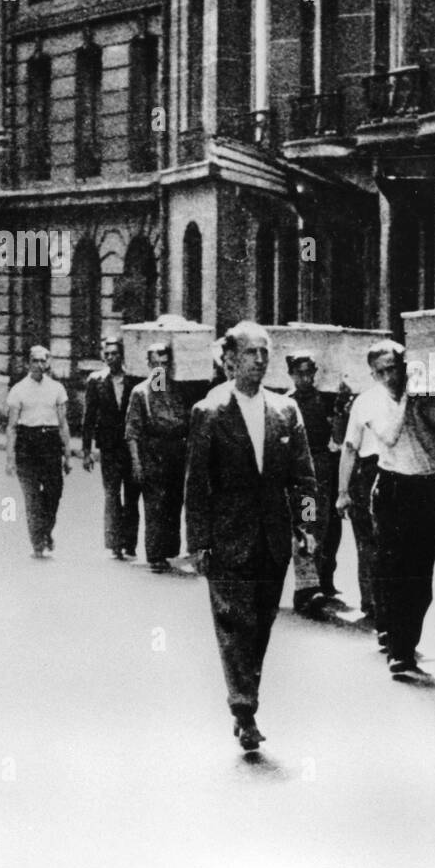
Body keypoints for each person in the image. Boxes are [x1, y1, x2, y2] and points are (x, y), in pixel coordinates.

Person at [185, 321, 318, 752]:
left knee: (260, 623)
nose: (260, 360)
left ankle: (247, 700)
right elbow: (196, 485)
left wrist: (307, 527)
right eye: (250, 352)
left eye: (265, 352)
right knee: (233, 624)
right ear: (229, 360)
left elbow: (305, 479)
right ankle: (244, 710)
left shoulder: (285, 411)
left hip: (273, 538)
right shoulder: (209, 411)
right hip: (226, 538)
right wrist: (198, 542)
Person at [360, 339, 435, 677]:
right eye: (380, 372)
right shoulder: (370, 401)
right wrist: (408, 402)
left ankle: (405, 639)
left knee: (421, 577)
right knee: (393, 569)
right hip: (392, 486)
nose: (388, 377)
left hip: (424, 488)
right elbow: (390, 435)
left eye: (393, 369)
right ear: (373, 374)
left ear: (404, 366)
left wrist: (421, 409)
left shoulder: (425, 399)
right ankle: (400, 650)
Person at [285, 350, 346, 615]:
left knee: (331, 528)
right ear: (291, 375)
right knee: (309, 525)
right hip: (305, 477)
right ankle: (310, 587)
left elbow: (337, 434)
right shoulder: (288, 404)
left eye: (310, 372)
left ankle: (326, 579)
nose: (306, 378)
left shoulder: (325, 400)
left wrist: (342, 404)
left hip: (326, 471)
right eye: (300, 373)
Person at [125, 343, 190, 573]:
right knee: (155, 506)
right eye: (155, 363)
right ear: (148, 364)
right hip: (152, 455)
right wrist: (136, 463)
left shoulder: (177, 390)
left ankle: (171, 550)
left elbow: (186, 422)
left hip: (176, 455)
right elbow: (132, 432)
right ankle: (155, 555)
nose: (160, 367)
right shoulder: (140, 393)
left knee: (174, 503)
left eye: (164, 363)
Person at [335, 360, 386, 647]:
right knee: (366, 540)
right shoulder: (359, 403)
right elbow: (348, 446)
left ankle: (381, 601)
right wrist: (343, 490)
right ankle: (371, 600)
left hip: (389, 471)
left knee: (380, 542)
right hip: (359, 474)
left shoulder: (405, 398)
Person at [5, 346, 71, 559]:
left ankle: (46, 531)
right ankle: (37, 543)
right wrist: (10, 458)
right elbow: (12, 426)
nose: (40, 366)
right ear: (28, 363)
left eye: (44, 361)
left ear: (48, 363)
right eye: (36, 361)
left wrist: (67, 455)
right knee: (32, 498)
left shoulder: (57, 389)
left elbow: (63, 423)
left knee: (54, 493)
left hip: (50, 443)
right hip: (27, 444)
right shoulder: (18, 390)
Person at [82, 338, 140, 561]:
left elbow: (158, 393)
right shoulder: (95, 381)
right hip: (109, 448)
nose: (110, 358)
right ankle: (115, 543)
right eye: (107, 354)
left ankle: (130, 543)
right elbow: (88, 418)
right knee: (112, 494)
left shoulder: (136, 378)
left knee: (133, 495)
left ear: (122, 356)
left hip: (131, 446)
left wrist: (159, 368)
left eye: (115, 353)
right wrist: (86, 452)